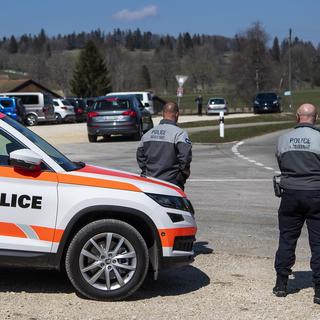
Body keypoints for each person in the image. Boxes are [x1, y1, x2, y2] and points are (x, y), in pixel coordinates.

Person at [273, 103, 320, 304]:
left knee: (287, 239)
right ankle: (318, 290)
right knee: (318, 243)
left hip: (290, 194)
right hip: (316, 193)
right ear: (315, 118)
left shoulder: (283, 140)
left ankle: (281, 283)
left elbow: (281, 164)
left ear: (297, 117)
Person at [136, 101, 192, 190]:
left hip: (149, 182)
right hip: (171, 183)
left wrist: (146, 172)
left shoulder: (147, 134)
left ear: (163, 114)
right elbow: (185, 158)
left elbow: (140, 155)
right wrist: (181, 178)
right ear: (177, 114)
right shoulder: (180, 134)